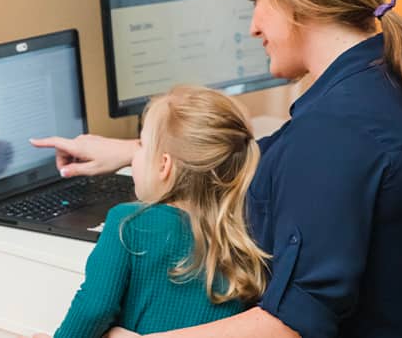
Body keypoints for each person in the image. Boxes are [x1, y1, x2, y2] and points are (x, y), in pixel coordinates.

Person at [35, 0, 402, 338]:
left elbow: (291, 324)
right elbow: (271, 160)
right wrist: (134, 152)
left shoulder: (335, 131)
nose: (253, 26)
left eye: (256, 0)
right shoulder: (377, 83)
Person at [29, 86, 270, 338]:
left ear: (164, 165)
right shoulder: (243, 238)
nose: (134, 155)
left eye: (141, 145)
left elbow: (94, 308)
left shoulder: (128, 222)